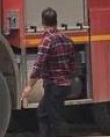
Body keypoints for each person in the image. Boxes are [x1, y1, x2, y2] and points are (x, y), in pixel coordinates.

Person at [21, 8, 76, 137]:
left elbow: (38, 65)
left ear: (43, 22)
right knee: (46, 113)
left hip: (54, 85)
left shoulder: (47, 41)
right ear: (56, 21)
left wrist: (29, 86)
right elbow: (73, 63)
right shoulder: (67, 39)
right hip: (65, 85)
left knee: (53, 117)